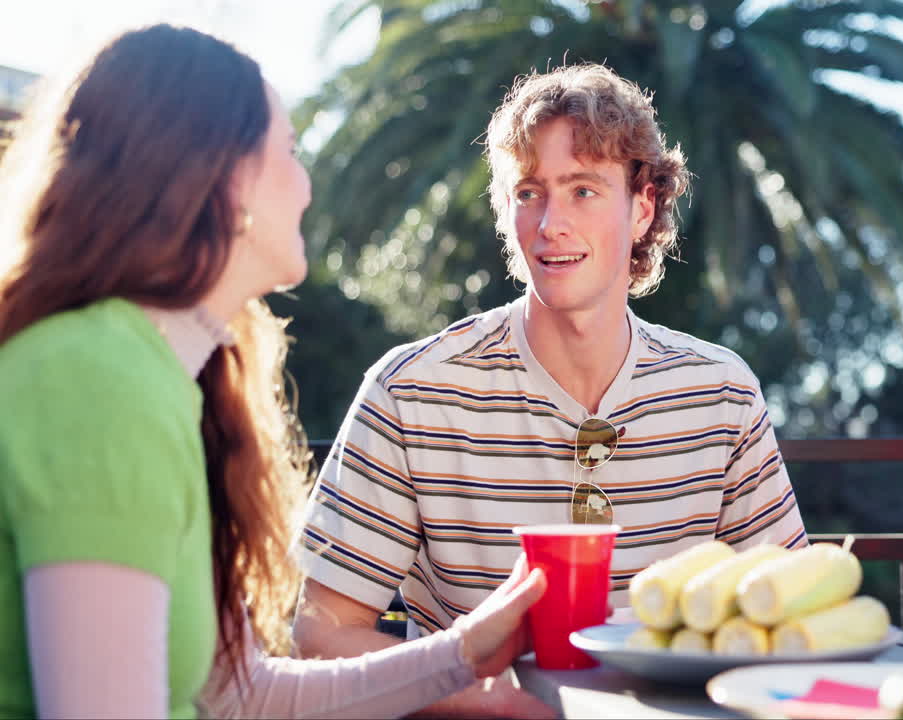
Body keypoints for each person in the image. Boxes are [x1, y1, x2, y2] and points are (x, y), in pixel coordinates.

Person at [0, 24, 546, 719]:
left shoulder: (164, 375)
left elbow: (242, 695)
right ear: (225, 178)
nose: (307, 185)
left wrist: (465, 653)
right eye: (288, 152)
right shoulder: (96, 383)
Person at [293, 63, 808, 715]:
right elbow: (316, 635)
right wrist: (490, 705)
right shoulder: (411, 393)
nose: (549, 225)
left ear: (643, 206)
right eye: (529, 192)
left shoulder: (721, 396)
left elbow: (791, 612)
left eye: (583, 191)